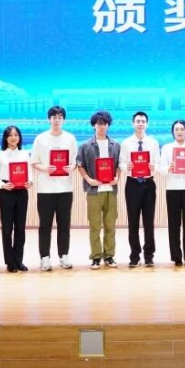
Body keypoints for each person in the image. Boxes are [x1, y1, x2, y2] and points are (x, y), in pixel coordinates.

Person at [30, 105, 79, 271]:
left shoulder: (70, 138)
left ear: (63, 120)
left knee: (64, 225)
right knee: (45, 225)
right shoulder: (40, 138)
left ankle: (64, 256)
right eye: (54, 117)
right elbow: (34, 162)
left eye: (60, 117)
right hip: (45, 189)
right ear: (49, 119)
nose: (57, 120)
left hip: (65, 188)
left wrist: (72, 167)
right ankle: (44, 258)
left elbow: (75, 162)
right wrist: (44, 168)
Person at [76, 110, 120, 269]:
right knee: (95, 226)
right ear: (94, 125)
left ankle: (109, 255)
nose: (102, 126)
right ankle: (95, 256)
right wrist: (88, 179)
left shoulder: (115, 145)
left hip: (110, 191)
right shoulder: (85, 145)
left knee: (110, 225)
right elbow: (79, 165)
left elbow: (119, 165)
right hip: (94, 191)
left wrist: (117, 177)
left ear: (108, 125)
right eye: (99, 123)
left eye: (105, 123)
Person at [120, 111, 161, 268]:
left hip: (148, 184)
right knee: (133, 222)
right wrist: (127, 167)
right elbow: (121, 163)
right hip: (132, 184)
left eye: (143, 121)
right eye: (138, 121)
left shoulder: (153, 143)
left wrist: (153, 166)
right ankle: (134, 255)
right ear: (133, 123)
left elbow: (158, 163)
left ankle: (149, 255)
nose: (140, 124)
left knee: (149, 222)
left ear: (147, 124)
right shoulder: (126, 143)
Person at [160, 119, 185, 267]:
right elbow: (161, 171)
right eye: (176, 129)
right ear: (172, 132)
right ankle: (176, 257)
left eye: (182, 129)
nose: (179, 132)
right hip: (172, 189)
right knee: (174, 224)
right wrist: (168, 167)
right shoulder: (166, 148)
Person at [0, 124, 33, 273]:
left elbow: (29, 172)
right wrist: (3, 185)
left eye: (16, 135)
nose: (13, 138)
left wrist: (30, 181)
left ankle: (19, 260)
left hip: (22, 192)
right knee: (7, 229)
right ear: (5, 138)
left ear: (19, 138)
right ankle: (10, 262)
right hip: (7, 191)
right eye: (10, 135)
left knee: (20, 228)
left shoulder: (25, 154)